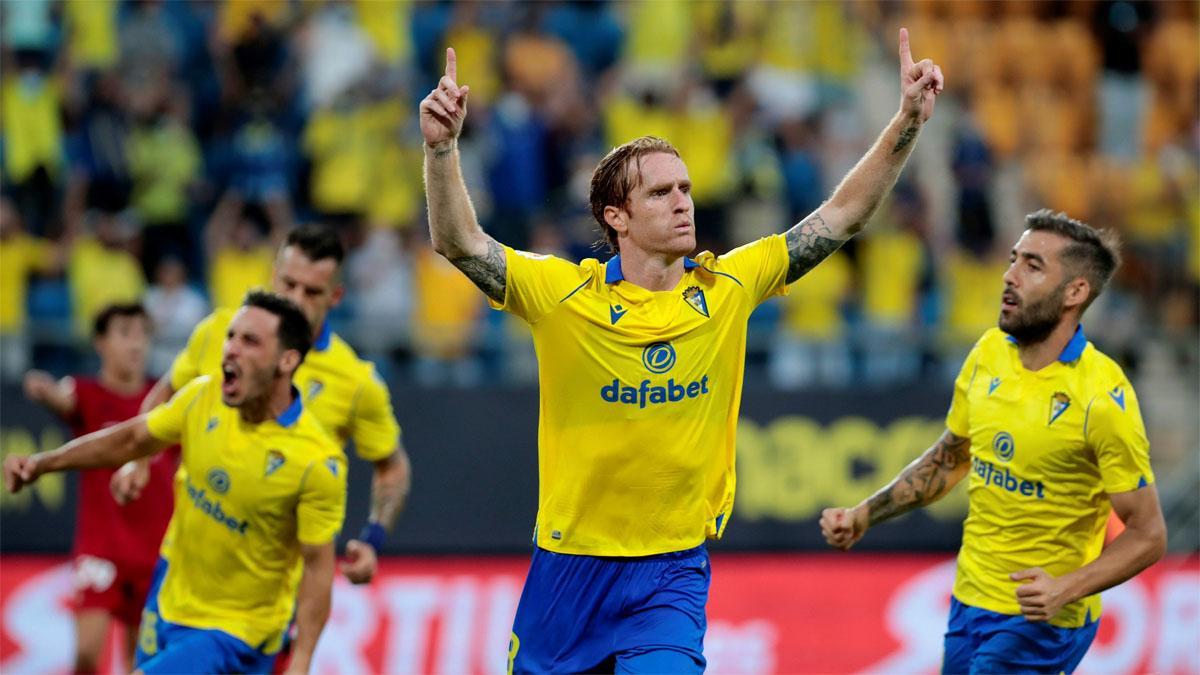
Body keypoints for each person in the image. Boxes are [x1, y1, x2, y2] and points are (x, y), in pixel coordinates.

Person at [421, 30, 943, 671]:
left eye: (686, 189)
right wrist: (443, 148)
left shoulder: (728, 286)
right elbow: (459, 242)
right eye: (661, 192)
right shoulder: (564, 294)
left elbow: (844, 214)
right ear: (617, 216)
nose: (682, 202)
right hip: (570, 568)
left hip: (671, 572)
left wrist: (908, 121)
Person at [820, 210, 1167, 674]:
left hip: (1042, 621)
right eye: (1013, 259)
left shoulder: (1102, 397)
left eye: (1033, 266)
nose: (1009, 275)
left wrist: (1064, 588)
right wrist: (866, 513)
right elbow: (949, 460)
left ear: (1075, 292)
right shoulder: (987, 353)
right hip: (969, 600)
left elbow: (1148, 534)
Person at [4, 292, 347, 675]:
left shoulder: (317, 461)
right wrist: (42, 464)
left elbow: (318, 568)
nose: (230, 349)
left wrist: (300, 660)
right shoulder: (203, 396)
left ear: (287, 360)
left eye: (250, 341)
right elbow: (132, 439)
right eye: (231, 336)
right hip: (169, 599)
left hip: (235, 631)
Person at [113, 224, 411, 585]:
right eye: (288, 284)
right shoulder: (221, 332)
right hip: (186, 565)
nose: (296, 300)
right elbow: (166, 393)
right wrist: (138, 460)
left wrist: (373, 538)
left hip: (278, 585)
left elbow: (392, 467)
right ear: (273, 277)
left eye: (312, 292)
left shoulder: (356, 381)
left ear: (335, 297)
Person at [22, 303, 174, 673]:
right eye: (124, 332)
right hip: (101, 549)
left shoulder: (169, 400)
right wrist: (45, 392)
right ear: (100, 343)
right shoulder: (86, 393)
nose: (136, 343)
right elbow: (64, 397)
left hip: (156, 552)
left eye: (142, 333)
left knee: (142, 664)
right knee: (87, 658)